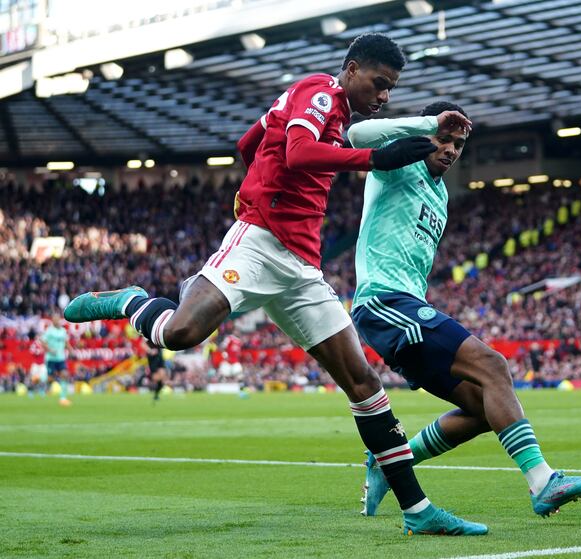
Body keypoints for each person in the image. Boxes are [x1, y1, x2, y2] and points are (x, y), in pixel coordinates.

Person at [64, 33, 484, 536]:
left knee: (363, 383)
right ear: (351, 70)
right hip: (260, 240)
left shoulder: (333, 113)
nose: (384, 95)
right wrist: (368, 163)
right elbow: (302, 155)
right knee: (180, 335)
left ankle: (417, 511)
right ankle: (133, 301)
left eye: (390, 88)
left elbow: (251, 142)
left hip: (302, 265)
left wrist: (263, 171)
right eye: (379, 83)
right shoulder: (320, 93)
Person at [347, 102, 581, 518]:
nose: (450, 149)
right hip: (383, 301)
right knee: (493, 364)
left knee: (484, 407)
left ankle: (389, 461)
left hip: (410, 305)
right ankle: (542, 482)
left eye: (458, 144)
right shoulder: (399, 162)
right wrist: (429, 125)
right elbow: (357, 137)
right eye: (444, 139)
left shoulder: (441, 193)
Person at [40, 314, 71, 406]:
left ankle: (63, 398)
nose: (56, 321)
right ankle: (41, 384)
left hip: (60, 358)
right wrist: (50, 350)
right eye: (54, 319)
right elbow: (42, 341)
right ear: (52, 321)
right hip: (51, 358)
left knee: (64, 375)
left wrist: (71, 350)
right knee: (51, 378)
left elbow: (66, 342)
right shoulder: (49, 331)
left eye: (57, 319)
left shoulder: (63, 331)